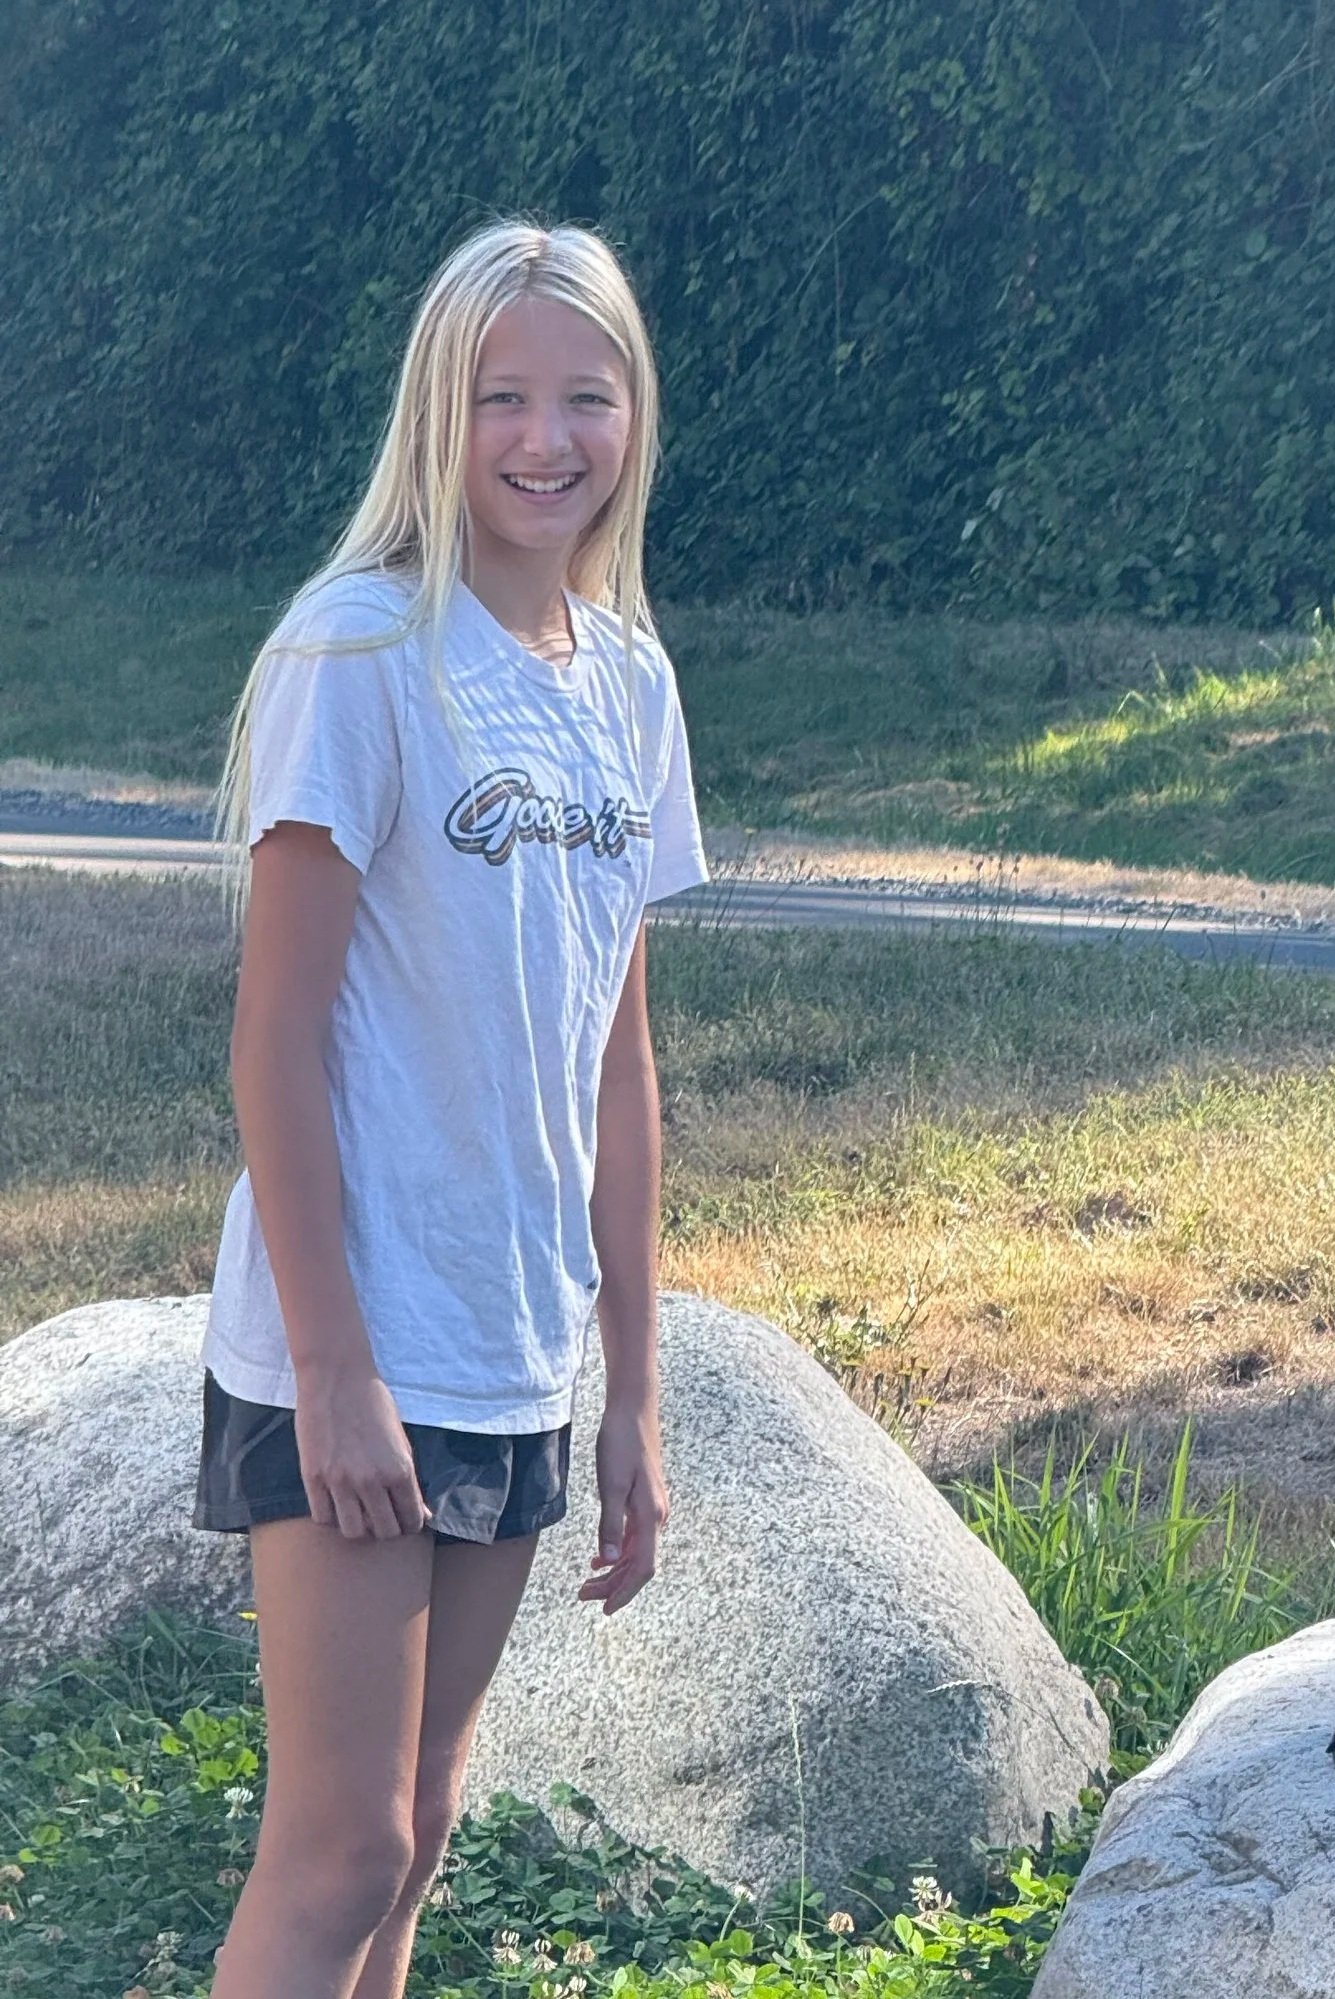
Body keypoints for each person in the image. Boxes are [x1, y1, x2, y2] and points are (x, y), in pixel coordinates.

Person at [196, 219, 707, 1999]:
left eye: (587, 395)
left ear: (636, 415)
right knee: (339, 1849)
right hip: (354, 1338)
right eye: (503, 396)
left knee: (415, 1827)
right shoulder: (361, 653)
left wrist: (631, 1385)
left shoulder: (627, 683)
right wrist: (333, 1366)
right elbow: (274, 1035)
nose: (545, 438)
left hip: (511, 1342)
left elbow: (616, 1063)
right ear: (443, 411)